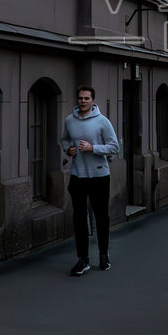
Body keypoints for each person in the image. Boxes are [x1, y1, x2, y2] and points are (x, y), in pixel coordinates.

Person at [62, 85, 120, 275]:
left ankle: (104, 255)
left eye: (87, 98)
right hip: (78, 176)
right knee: (79, 218)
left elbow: (114, 147)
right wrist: (68, 149)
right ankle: (83, 259)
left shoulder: (102, 121)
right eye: (80, 98)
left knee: (101, 217)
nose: (83, 101)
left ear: (93, 100)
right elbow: (64, 140)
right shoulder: (70, 120)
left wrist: (93, 148)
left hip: (99, 176)